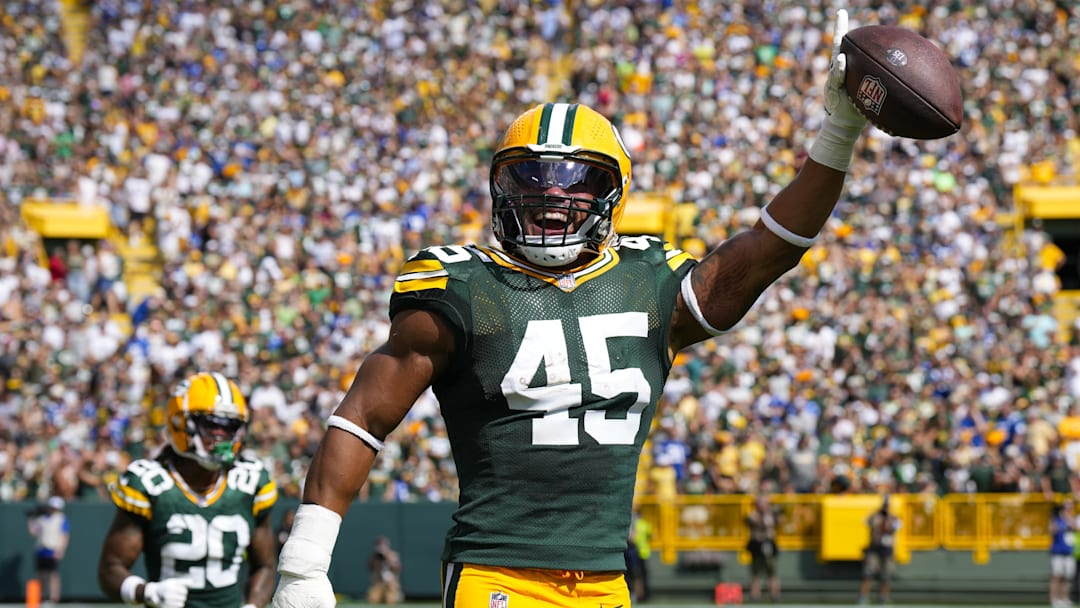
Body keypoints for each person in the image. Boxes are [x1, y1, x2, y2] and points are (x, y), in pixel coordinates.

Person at [273, 9, 881, 608]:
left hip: (605, 580)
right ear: (498, 188)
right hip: (496, 574)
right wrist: (303, 564)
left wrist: (839, 131)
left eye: (576, 181)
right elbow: (363, 418)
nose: (551, 195)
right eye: (529, 176)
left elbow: (769, 251)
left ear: (613, 197)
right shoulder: (460, 287)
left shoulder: (648, 283)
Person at [97, 372, 279, 608]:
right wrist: (147, 592)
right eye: (212, 425)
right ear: (180, 422)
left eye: (230, 426)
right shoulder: (150, 483)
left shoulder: (250, 481)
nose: (221, 436)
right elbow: (109, 569)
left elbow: (265, 565)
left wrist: (253, 606)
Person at [858, 495, 902, 605]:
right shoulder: (874, 516)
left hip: (887, 549)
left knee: (886, 575)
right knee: (868, 573)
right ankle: (863, 597)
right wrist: (877, 517)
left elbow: (895, 528)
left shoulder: (894, 518)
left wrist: (890, 520)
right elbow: (866, 521)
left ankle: (883, 597)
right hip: (874, 548)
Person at [28, 496, 70, 606]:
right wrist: (31, 519)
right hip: (41, 549)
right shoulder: (41, 519)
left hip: (53, 549)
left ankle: (54, 598)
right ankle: (40, 596)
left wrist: (60, 550)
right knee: (40, 574)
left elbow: (65, 536)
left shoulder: (61, 519)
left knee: (53, 575)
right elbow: (33, 532)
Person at [745, 494, 781, 603]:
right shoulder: (753, 514)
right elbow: (750, 522)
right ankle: (755, 594)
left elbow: (779, 522)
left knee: (771, 570)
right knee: (755, 571)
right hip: (756, 544)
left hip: (769, 543)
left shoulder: (771, 515)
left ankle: (775, 594)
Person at [1049, 500, 1076, 608]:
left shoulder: (1071, 520)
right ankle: (1054, 599)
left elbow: (1076, 528)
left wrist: (1069, 520)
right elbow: (1051, 530)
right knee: (1057, 576)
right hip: (1058, 552)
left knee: (1067, 577)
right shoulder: (1056, 520)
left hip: (1069, 552)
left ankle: (1064, 598)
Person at [624, 506, 653, 602]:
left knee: (636, 574)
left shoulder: (639, 523)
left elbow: (634, 537)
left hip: (636, 551)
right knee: (635, 574)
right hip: (637, 551)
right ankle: (637, 594)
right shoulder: (641, 523)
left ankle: (638, 594)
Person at [366, 535, 403, 605]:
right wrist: (377, 561)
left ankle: (397, 595)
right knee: (372, 599)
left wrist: (387, 559)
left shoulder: (392, 555)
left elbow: (397, 568)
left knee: (390, 600)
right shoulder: (375, 557)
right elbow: (369, 567)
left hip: (390, 585)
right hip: (378, 583)